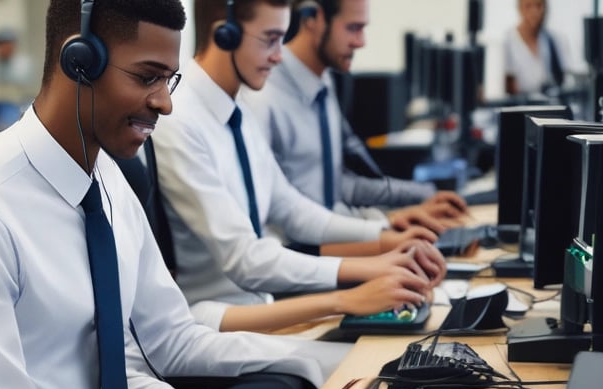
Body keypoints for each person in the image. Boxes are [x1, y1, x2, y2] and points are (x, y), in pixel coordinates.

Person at [0, 0, 376, 389]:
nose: (165, 103)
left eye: (169, 80)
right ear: (78, 61)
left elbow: (136, 372)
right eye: (147, 77)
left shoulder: (104, 180)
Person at [150, 0, 445, 334]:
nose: (279, 55)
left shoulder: (238, 110)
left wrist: (384, 241)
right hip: (221, 326)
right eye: (270, 39)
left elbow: (291, 209)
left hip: (270, 309)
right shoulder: (180, 122)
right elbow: (246, 259)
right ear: (225, 35)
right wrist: (366, 267)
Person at [241, 0, 468, 232]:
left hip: (334, 240)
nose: (361, 42)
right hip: (304, 253)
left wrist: (412, 204)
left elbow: (334, 189)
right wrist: (383, 228)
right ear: (313, 19)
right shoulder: (263, 97)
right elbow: (282, 219)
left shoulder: (323, 81)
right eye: (353, 28)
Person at [504, 0, 568, 96]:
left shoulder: (554, 41)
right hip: (520, 105)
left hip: (549, 104)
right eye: (528, 6)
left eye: (539, 6)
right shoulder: (507, 41)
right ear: (520, 8)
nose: (534, 12)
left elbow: (565, 79)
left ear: (546, 8)